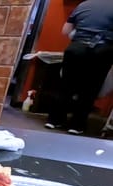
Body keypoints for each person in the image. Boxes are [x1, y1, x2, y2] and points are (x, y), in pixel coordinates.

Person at [46, 0, 113, 135]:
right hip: (101, 51)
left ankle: (54, 120)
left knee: (65, 86)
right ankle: (76, 126)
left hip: (76, 49)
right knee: (89, 90)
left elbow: (65, 31)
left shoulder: (83, 4)